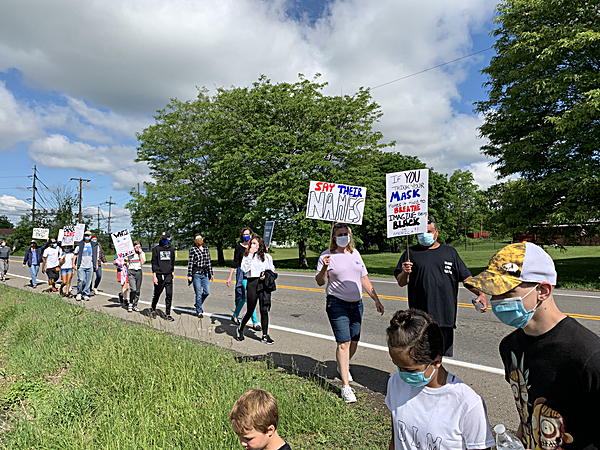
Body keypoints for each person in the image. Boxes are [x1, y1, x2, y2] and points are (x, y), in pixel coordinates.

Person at [464, 242, 600, 450]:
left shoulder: (589, 356)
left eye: (505, 292)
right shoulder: (509, 347)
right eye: (493, 292)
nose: (495, 301)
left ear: (543, 291)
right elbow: (526, 412)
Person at [385, 308, 494, 450]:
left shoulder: (467, 404)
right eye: (398, 366)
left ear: (436, 362)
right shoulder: (395, 383)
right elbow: (396, 437)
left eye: (411, 370)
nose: (402, 374)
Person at [394, 216, 486, 357]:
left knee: (438, 355)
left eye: (429, 231)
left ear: (436, 232)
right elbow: (401, 282)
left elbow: (466, 278)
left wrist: (481, 292)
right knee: (420, 355)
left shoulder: (450, 253)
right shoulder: (409, 254)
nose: (424, 235)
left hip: (444, 314)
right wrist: (405, 272)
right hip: (419, 316)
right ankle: (423, 378)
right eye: (421, 233)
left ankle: (436, 378)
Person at [315, 222, 385, 403]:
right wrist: (324, 267)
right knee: (344, 342)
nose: (343, 237)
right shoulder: (327, 256)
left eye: (346, 233)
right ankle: (345, 386)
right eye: (339, 234)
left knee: (354, 340)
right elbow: (320, 281)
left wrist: (375, 298)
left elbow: (363, 278)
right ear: (333, 237)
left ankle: (342, 366)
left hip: (357, 304)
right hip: (337, 303)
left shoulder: (355, 254)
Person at [235, 237, 276, 344]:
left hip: (264, 284)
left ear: (260, 245)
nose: (252, 245)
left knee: (264, 309)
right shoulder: (247, 256)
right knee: (250, 309)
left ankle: (265, 335)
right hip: (252, 283)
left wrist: (266, 275)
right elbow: (244, 269)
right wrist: (250, 254)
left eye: (254, 243)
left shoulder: (267, 257)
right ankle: (240, 329)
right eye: (251, 243)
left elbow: (272, 270)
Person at [227, 227, 260, 330]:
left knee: (245, 298)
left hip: (254, 272)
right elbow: (235, 262)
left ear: (251, 234)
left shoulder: (254, 246)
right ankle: (255, 322)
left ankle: (235, 315)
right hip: (243, 272)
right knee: (250, 297)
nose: (246, 236)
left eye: (248, 234)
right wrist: (230, 277)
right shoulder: (239, 247)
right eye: (244, 234)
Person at [187, 233, 214, 318]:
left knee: (207, 292)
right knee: (198, 293)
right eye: (197, 239)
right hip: (197, 274)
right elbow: (190, 263)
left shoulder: (206, 249)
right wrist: (189, 274)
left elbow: (209, 262)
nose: (199, 240)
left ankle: (198, 303)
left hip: (205, 273)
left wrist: (211, 273)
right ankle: (199, 311)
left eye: (200, 238)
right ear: (195, 241)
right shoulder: (193, 250)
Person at [151, 231, 175, 321]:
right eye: (163, 238)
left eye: (165, 238)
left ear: (169, 239)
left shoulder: (171, 249)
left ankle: (168, 313)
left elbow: (172, 262)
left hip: (168, 274)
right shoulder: (156, 249)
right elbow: (154, 262)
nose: (164, 240)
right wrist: (154, 276)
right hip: (159, 275)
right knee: (157, 294)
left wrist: (172, 274)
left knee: (169, 294)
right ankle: (153, 309)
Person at [74, 231, 98, 301]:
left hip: (90, 265)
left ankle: (86, 294)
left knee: (88, 281)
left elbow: (95, 256)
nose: (87, 236)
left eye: (88, 235)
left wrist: (96, 264)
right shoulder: (80, 244)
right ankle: (79, 293)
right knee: (81, 280)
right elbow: (75, 254)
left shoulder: (94, 245)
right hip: (81, 265)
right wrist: (73, 264)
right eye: (86, 235)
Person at [127, 240, 145, 313]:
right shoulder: (129, 254)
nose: (137, 248)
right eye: (136, 246)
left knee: (137, 290)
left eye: (139, 246)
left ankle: (135, 305)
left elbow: (142, 262)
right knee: (133, 289)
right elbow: (126, 263)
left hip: (139, 271)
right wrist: (125, 260)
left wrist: (140, 253)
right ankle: (130, 303)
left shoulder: (142, 253)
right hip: (131, 271)